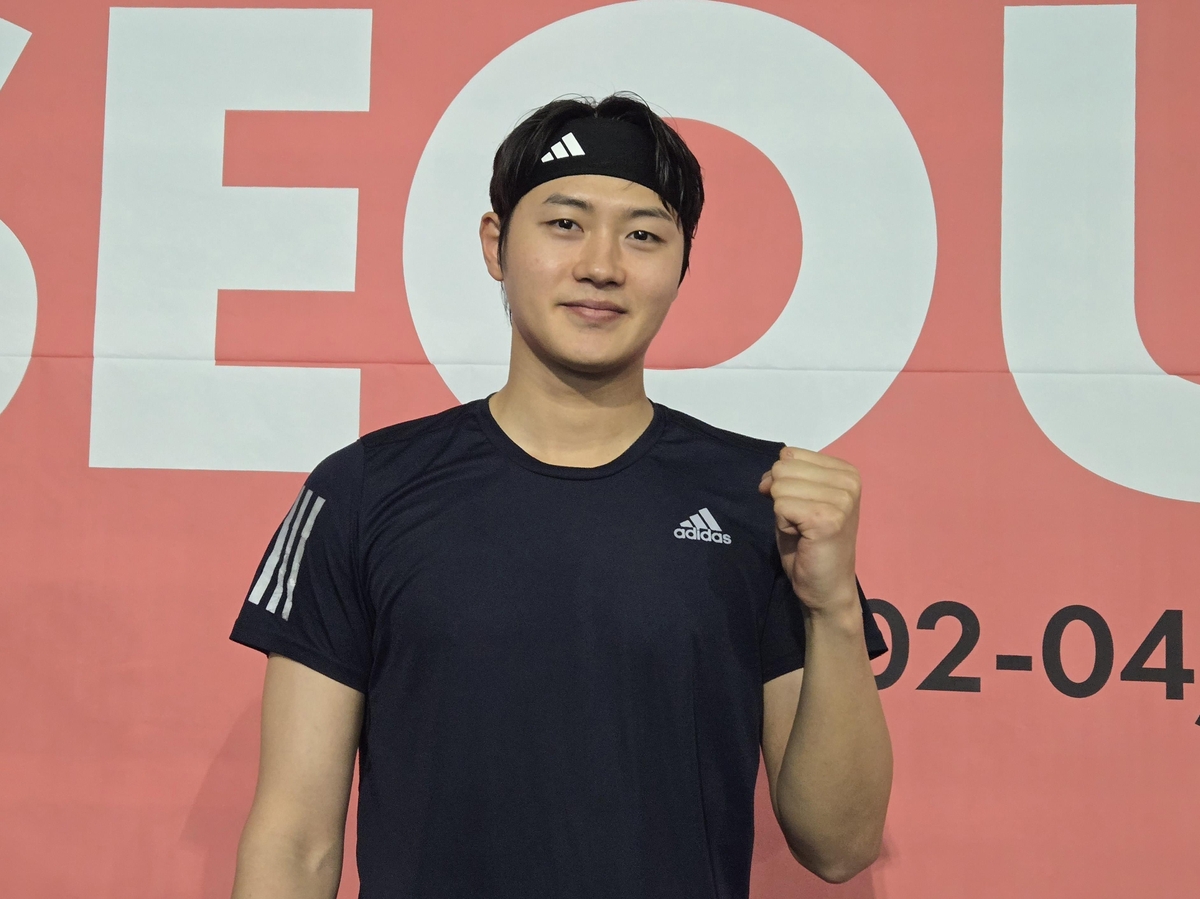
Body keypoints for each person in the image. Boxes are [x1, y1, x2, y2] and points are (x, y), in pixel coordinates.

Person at [229, 93, 891, 899]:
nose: (602, 265)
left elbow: (840, 844)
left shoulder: (760, 502)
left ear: (684, 263)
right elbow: (295, 840)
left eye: (643, 235)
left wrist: (835, 608)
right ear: (496, 243)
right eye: (565, 224)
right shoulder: (363, 489)